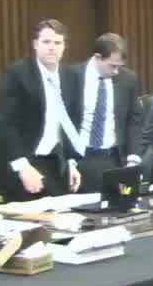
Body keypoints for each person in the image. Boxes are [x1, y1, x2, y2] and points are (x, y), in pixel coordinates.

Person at [0, 18, 83, 201]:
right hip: (17, 158)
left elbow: (71, 123)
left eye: (57, 43)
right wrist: (23, 167)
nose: (52, 47)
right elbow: (7, 125)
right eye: (46, 42)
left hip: (52, 158)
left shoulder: (70, 76)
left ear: (64, 47)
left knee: (67, 203)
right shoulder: (16, 74)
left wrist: (71, 162)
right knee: (35, 206)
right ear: (35, 44)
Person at [62, 33, 144, 193]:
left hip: (115, 159)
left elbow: (133, 121)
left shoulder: (128, 79)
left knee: (122, 203)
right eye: (112, 66)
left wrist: (133, 159)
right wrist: (69, 161)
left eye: (119, 66)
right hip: (81, 160)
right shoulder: (71, 76)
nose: (116, 71)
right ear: (97, 57)